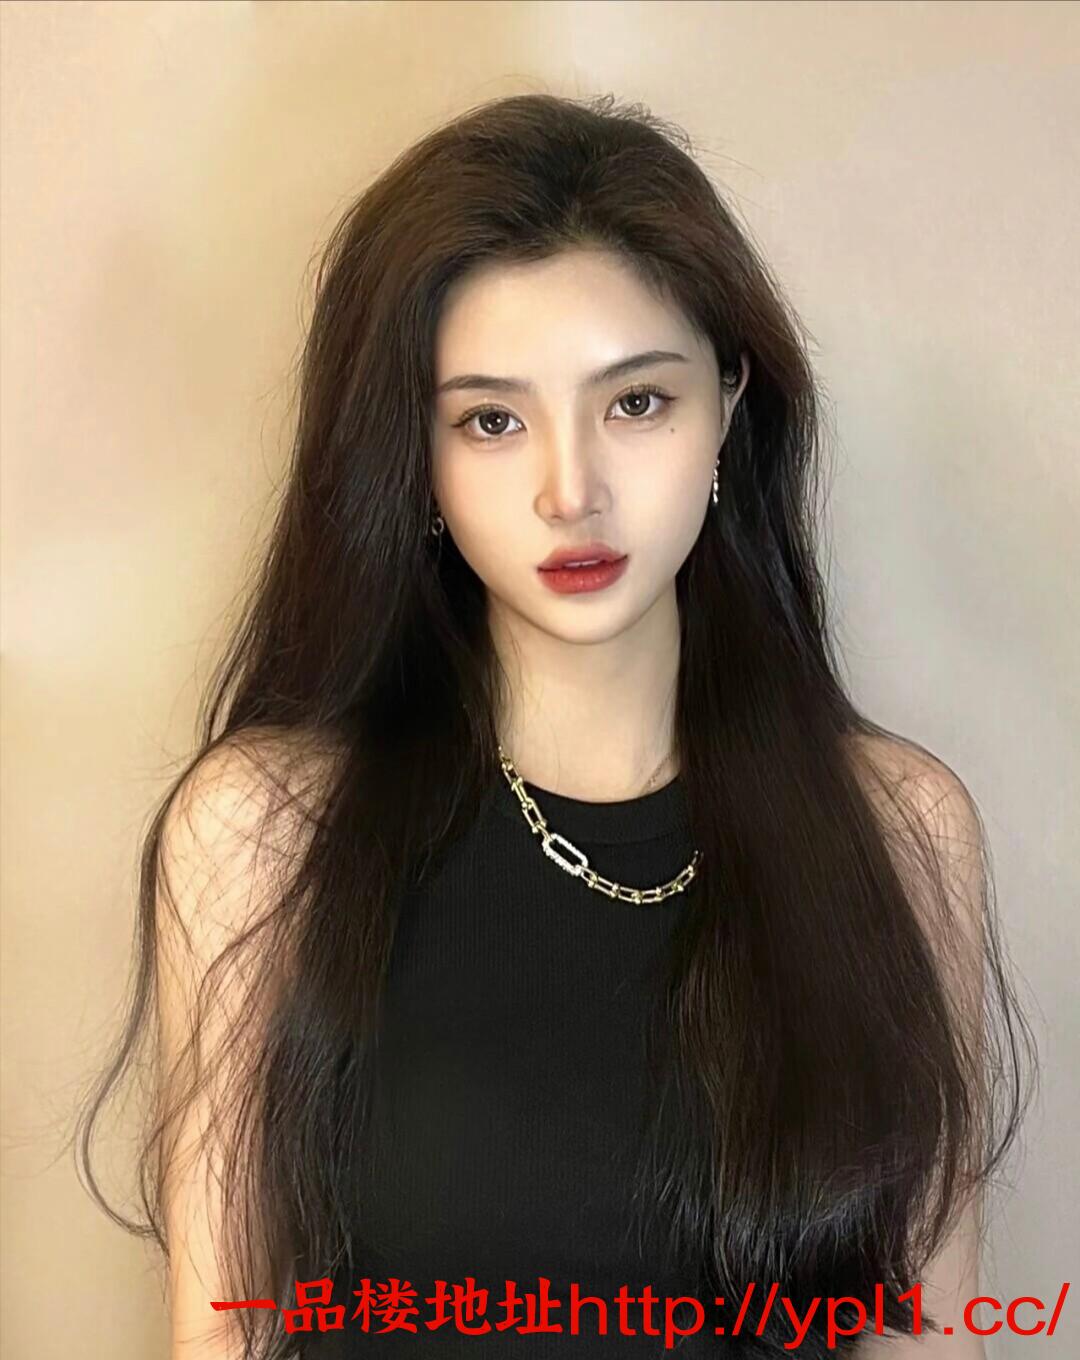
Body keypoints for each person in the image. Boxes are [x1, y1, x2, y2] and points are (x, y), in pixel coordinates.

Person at [73, 92, 1036, 1360]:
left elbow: (931, 1334)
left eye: (635, 403)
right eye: (491, 420)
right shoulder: (266, 834)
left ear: (727, 404)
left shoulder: (898, 831)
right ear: (416, 457)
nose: (569, 490)